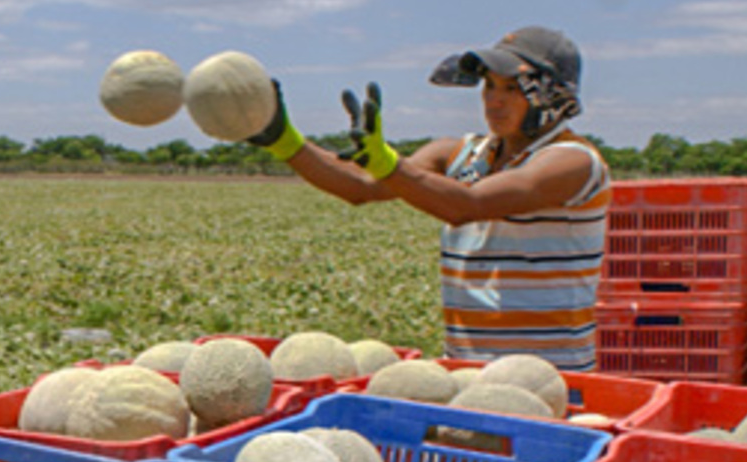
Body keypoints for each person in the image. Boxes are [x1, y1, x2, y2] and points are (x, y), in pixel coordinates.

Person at [250, 26, 609, 371]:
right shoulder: (460, 154)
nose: (493, 100)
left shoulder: (573, 161)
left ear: (550, 96)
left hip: (552, 378)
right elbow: (362, 186)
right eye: (488, 85)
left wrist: (389, 164)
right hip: (465, 372)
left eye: (512, 88)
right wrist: (285, 141)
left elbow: (469, 205)